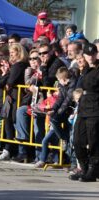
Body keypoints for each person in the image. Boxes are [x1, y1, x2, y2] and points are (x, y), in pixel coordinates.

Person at [35, 67, 77, 168]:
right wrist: (53, 109)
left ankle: (65, 141)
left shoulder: (72, 85)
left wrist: (57, 112)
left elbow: (67, 101)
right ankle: (43, 159)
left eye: (59, 80)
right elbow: (60, 99)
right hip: (63, 112)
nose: (58, 82)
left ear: (64, 79)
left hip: (70, 111)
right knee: (52, 124)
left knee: (70, 138)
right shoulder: (62, 85)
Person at [72, 43, 99, 182]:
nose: (90, 57)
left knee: (93, 141)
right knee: (77, 140)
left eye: (92, 54)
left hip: (95, 108)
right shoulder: (86, 69)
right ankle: (84, 166)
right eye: (88, 54)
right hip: (83, 107)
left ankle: (93, 170)